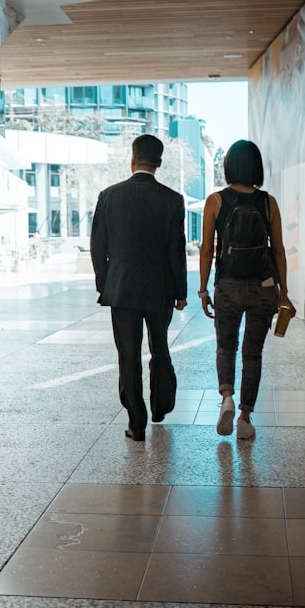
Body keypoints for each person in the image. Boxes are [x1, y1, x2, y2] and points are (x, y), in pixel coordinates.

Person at [90, 134, 188, 442]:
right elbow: (176, 250)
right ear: (159, 163)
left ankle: (137, 422)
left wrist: (105, 283)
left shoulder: (109, 196)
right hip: (160, 289)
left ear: (132, 159)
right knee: (160, 348)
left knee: (128, 355)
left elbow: (97, 246)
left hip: (122, 289)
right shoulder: (172, 200)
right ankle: (160, 405)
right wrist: (181, 291)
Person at [198, 139, 294, 440]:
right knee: (253, 354)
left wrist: (203, 290)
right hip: (263, 287)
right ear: (256, 167)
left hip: (227, 286)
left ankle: (226, 397)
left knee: (226, 346)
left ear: (228, 167)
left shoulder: (215, 201)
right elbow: (278, 250)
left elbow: (206, 250)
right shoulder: (268, 202)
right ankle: (245, 417)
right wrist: (284, 292)